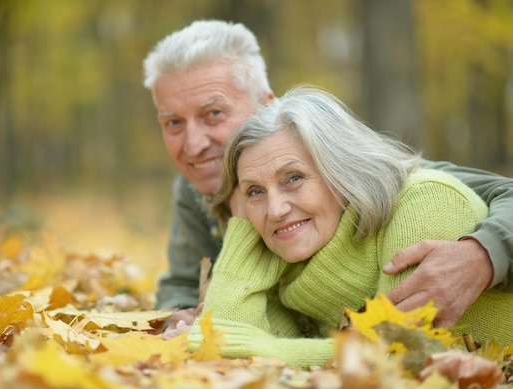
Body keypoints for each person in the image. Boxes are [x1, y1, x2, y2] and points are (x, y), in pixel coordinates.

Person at [142, 20, 513, 332]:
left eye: (213, 114)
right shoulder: (194, 188)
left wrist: (483, 255)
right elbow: (183, 278)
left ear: (266, 107)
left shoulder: (363, 175)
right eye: (173, 122)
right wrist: (180, 313)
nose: (192, 145)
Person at [187, 86, 513, 367]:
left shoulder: (425, 201)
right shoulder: (289, 259)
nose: (275, 209)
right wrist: (245, 228)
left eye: (294, 178)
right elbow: (222, 354)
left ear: (341, 171)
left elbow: (401, 356)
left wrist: (266, 349)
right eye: (255, 191)